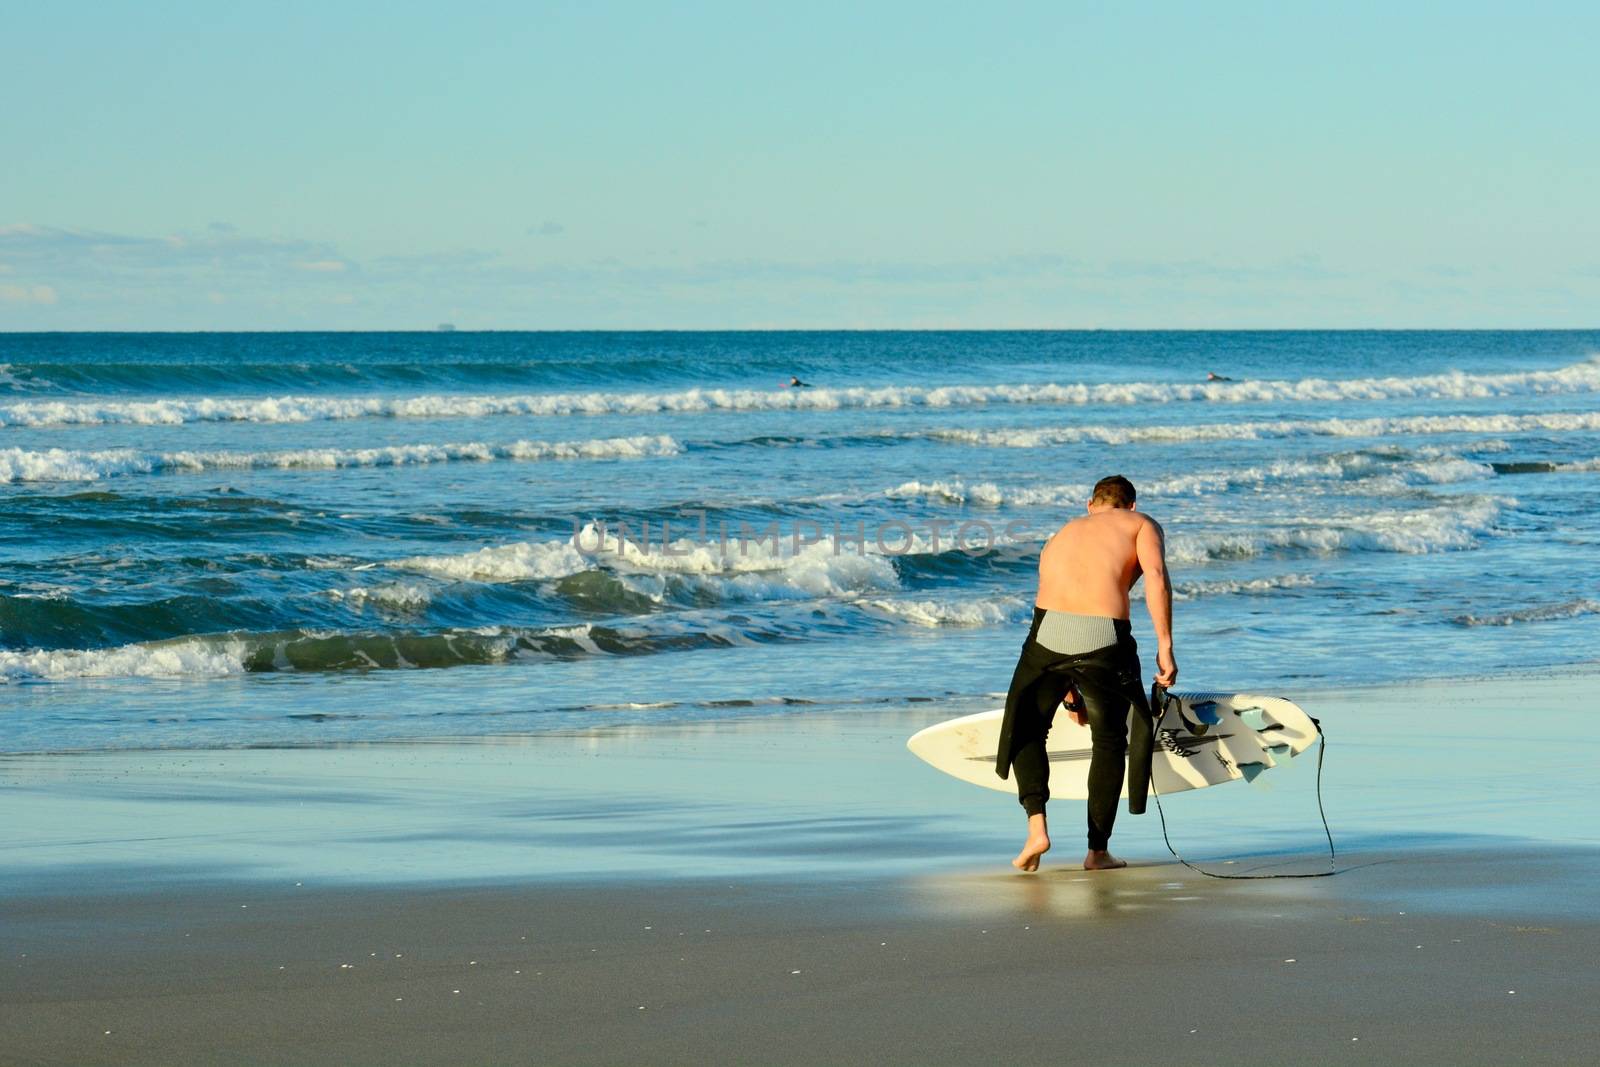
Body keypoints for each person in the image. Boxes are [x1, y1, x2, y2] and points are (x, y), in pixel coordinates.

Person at [994, 474, 1177, 872]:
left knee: (1027, 728)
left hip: (1046, 634)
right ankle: (1097, 852)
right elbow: (1157, 579)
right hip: (1104, 637)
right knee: (1109, 740)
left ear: (1089, 505)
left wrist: (1070, 693)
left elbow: (1058, 602)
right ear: (1131, 505)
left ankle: (1036, 828)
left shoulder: (1063, 532)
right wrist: (1165, 645)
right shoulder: (1141, 523)